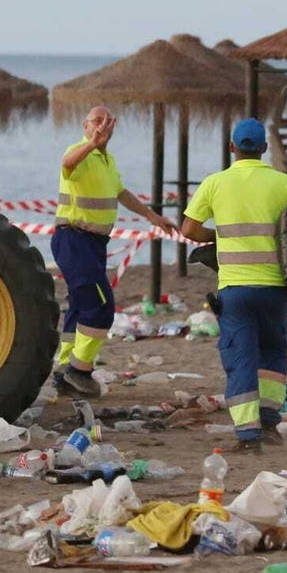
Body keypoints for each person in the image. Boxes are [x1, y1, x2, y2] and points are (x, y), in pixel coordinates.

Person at [179, 118, 287, 453]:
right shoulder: (284, 184)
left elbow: (189, 229)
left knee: (240, 358)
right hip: (275, 289)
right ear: (264, 149)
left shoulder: (215, 183)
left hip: (235, 289)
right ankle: (268, 421)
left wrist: (218, 235)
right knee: (272, 352)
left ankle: (248, 437)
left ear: (232, 147)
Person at [52, 105, 177, 396]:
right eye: (96, 120)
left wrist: (152, 217)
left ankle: (63, 372)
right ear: (85, 126)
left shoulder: (107, 160)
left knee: (80, 307)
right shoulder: (80, 150)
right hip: (73, 238)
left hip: (95, 243)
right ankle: (79, 370)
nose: (102, 125)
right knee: (101, 305)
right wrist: (92, 144)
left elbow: (122, 193)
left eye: (107, 121)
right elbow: (66, 164)